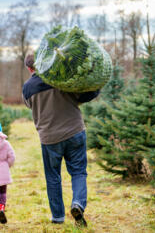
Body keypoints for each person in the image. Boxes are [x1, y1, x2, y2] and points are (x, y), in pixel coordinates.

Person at [22, 53, 100, 227]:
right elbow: (83, 96)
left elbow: (29, 105)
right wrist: (97, 86)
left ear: (29, 68)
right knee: (78, 172)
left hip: (50, 138)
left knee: (53, 177)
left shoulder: (27, 88)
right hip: (75, 131)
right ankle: (78, 203)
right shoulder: (60, 78)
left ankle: (58, 217)